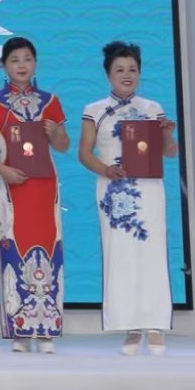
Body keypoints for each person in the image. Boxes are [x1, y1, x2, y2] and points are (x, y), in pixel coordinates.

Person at [79, 41, 178, 356]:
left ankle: (155, 325)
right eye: (119, 69)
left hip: (148, 190)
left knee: (152, 253)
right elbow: (84, 153)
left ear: (140, 73)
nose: (127, 74)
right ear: (108, 74)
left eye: (132, 69)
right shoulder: (94, 110)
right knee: (119, 256)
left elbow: (170, 152)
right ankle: (131, 326)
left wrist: (167, 133)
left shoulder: (152, 108)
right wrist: (105, 170)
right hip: (114, 190)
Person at [0, 36, 70, 353]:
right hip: (11, 188)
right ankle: (19, 330)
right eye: (15, 59)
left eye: (27, 58)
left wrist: (55, 132)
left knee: (50, 248)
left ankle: (47, 330)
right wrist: (2, 170)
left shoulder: (50, 101)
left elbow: (63, 146)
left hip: (45, 188)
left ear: (35, 63)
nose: (21, 65)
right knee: (12, 249)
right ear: (4, 65)